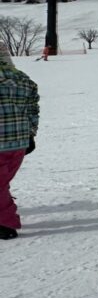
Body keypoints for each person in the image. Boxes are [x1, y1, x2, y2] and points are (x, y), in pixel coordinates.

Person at [0, 52, 38, 239]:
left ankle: (6, 223)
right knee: (2, 182)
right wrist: (31, 134)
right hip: (19, 142)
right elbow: (33, 109)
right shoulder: (24, 79)